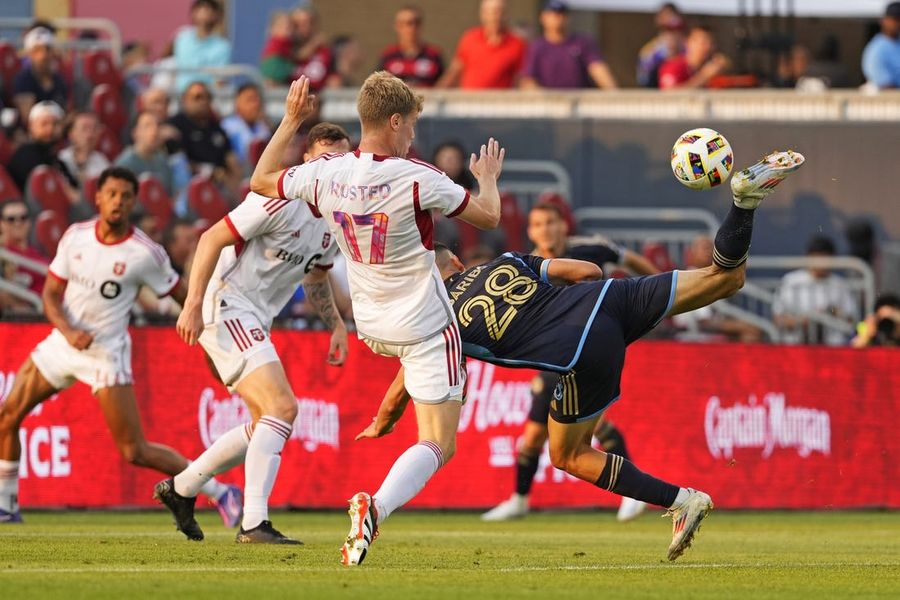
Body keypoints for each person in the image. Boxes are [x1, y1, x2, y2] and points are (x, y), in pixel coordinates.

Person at [359, 150, 806, 561]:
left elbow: (406, 379)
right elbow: (588, 270)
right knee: (725, 279)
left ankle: (682, 501)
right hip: (610, 299)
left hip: (577, 348)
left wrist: (384, 419)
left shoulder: (438, 316)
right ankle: (743, 204)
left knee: (569, 454)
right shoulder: (508, 260)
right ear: (457, 262)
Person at [250, 72, 503, 565]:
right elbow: (490, 218)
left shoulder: (326, 172)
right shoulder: (416, 176)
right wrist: (488, 179)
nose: (413, 135)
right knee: (438, 443)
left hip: (371, 325)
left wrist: (289, 121)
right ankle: (376, 508)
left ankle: (376, 493)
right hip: (426, 323)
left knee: (422, 420)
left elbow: (260, 180)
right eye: (410, 124)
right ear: (393, 120)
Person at [0, 166, 239, 524]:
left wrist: (209, 339)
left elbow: (185, 297)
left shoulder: (145, 252)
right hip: (64, 344)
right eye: (111, 194)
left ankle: (221, 492)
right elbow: (50, 295)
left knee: (134, 451)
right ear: (97, 197)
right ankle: (7, 505)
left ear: (133, 202)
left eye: (126, 196)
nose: (117, 202)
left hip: (106, 354)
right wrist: (66, 331)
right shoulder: (75, 237)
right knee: (7, 416)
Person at [153, 122, 351, 543]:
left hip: (255, 317)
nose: (334, 169)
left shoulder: (335, 221)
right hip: (226, 305)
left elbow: (315, 276)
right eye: (325, 160)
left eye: (342, 161)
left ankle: (183, 488)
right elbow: (209, 238)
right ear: (306, 163)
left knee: (267, 418)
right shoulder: (281, 200)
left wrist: (335, 324)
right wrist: (192, 304)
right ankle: (253, 523)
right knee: (283, 407)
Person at [480, 201, 657, 523]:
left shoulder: (592, 249)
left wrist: (657, 295)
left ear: (564, 225)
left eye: (550, 222)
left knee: (595, 426)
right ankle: (519, 500)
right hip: (551, 360)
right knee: (533, 438)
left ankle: (633, 495)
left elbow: (631, 261)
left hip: (589, 351)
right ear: (530, 231)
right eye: (537, 224)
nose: (544, 229)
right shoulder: (526, 266)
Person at [670, 235, 763, 342]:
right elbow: (704, 323)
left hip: (707, 337)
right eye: (705, 248)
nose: (709, 252)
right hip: (691, 339)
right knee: (749, 331)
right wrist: (739, 327)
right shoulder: (691, 276)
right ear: (690, 254)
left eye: (712, 249)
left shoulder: (710, 279)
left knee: (749, 331)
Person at [772, 235, 858, 346]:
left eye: (825, 257)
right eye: (817, 256)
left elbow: (852, 322)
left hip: (833, 348)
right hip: (795, 346)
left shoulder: (840, 285)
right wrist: (804, 322)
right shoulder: (791, 281)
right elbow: (778, 319)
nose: (821, 262)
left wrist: (831, 313)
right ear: (809, 256)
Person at [520, 1, 617, 90]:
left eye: (562, 14)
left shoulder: (582, 43)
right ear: (543, 17)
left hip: (579, 103)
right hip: (550, 104)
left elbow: (598, 70)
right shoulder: (537, 47)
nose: (558, 18)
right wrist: (544, 101)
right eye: (553, 14)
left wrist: (613, 94)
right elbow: (528, 80)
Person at [168, 81, 241, 193]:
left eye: (207, 97)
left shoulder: (216, 127)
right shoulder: (176, 125)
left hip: (221, 186)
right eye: (197, 97)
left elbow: (231, 159)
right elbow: (179, 164)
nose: (203, 101)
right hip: (191, 187)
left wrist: (237, 185)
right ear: (185, 100)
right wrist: (209, 172)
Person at [437, 0, 526, 89]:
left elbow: (522, 80)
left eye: (500, 12)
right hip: (470, 100)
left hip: (499, 101)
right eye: (492, 12)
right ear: (483, 15)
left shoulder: (517, 44)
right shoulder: (470, 39)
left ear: (507, 15)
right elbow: (454, 73)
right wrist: (433, 94)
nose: (496, 17)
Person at [6, 101, 79, 198]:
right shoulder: (25, 154)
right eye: (44, 124)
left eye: (55, 123)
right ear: (31, 126)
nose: (50, 129)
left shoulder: (58, 160)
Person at [172, 0, 232, 93]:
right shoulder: (181, 37)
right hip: (180, 95)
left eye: (209, 9)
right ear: (193, 13)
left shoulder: (223, 47)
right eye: (200, 8)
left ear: (216, 15)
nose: (204, 11)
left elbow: (219, 81)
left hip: (206, 98)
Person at [12, 26, 69, 122]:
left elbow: (66, 110)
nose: (43, 55)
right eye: (37, 50)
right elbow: (28, 118)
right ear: (29, 53)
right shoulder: (23, 79)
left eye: (47, 49)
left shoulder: (59, 80)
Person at [0, 199, 47, 314]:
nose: (18, 223)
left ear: (29, 222)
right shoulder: (3, 255)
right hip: (37, 317)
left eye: (23, 218)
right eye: (11, 219)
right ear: (2, 223)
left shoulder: (39, 250)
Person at [379, 6, 445, 88]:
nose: (411, 28)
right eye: (406, 23)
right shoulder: (389, 55)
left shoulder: (433, 55)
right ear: (397, 26)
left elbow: (444, 86)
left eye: (416, 23)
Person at [115, 111, 176, 197]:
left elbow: (170, 194)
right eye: (147, 126)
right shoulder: (124, 164)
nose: (154, 130)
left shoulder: (162, 159)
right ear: (135, 133)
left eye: (158, 125)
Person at [658, 26, 728, 90]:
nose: (708, 47)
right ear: (688, 43)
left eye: (711, 43)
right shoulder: (673, 67)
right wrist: (704, 76)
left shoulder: (712, 65)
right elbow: (668, 95)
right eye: (703, 43)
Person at [220, 84, 271, 167]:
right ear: (237, 104)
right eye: (250, 100)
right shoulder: (227, 128)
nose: (256, 104)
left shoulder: (263, 128)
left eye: (258, 100)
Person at [58, 112, 111, 188]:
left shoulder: (103, 163)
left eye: (95, 129)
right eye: (84, 129)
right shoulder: (60, 159)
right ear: (71, 133)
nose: (90, 135)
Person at [862, 2, 900, 89]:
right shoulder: (877, 50)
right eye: (895, 19)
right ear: (884, 20)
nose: (898, 24)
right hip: (892, 101)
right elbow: (885, 87)